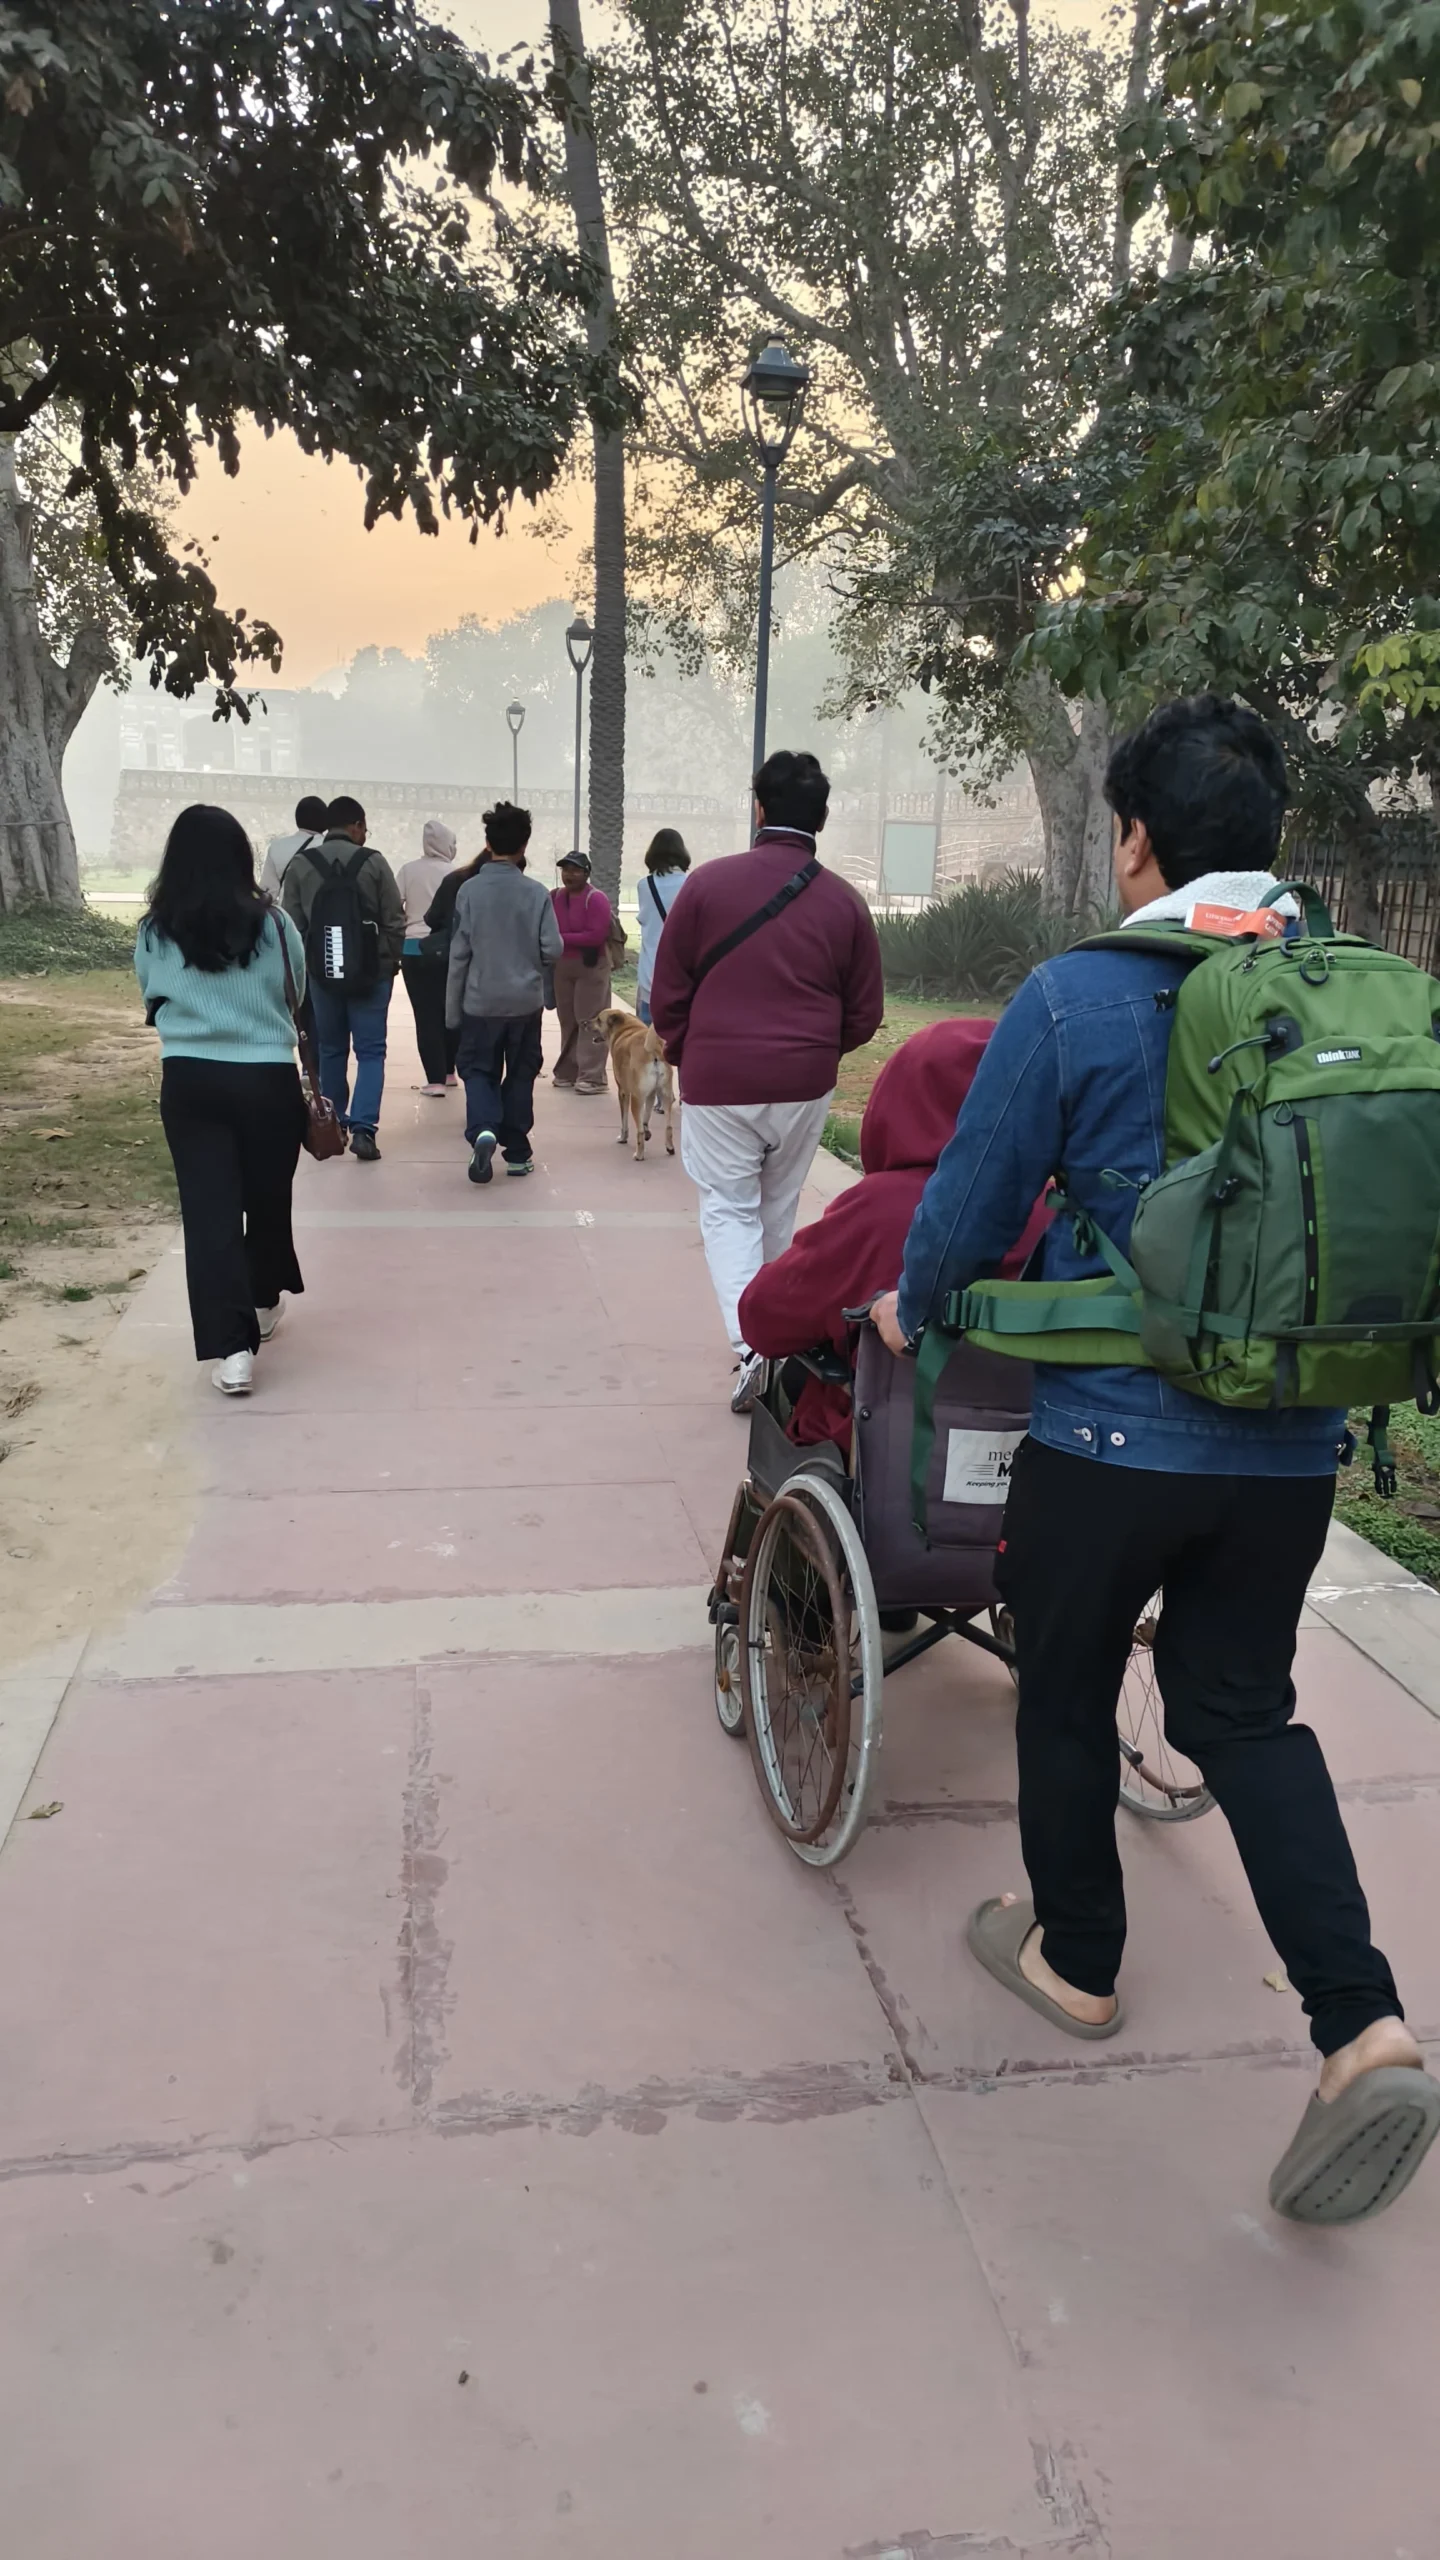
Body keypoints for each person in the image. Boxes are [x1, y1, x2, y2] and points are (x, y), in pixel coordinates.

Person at [871, 693, 1440, 2227]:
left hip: (1110, 1444)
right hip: (1296, 1446)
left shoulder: (1076, 998)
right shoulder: (1360, 990)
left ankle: (1079, 1959)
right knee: (1241, 1712)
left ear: (1135, 841)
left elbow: (970, 1201)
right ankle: (1362, 2026)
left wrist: (917, 1303)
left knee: (1062, 1684)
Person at [650, 747, 885, 1413]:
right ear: (822, 817)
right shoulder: (844, 904)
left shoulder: (706, 886)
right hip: (804, 1081)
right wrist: (815, 1052)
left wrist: (688, 1049)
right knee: (776, 1207)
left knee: (728, 1208)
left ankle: (755, 1348)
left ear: (758, 809)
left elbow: (668, 992)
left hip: (719, 1078)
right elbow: (865, 1012)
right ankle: (771, 1339)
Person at [739, 1018, 1048, 1453]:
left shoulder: (879, 1211)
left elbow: (763, 1320)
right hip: (1030, 1443)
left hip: (883, 1452)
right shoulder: (1060, 1213)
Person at [136, 804, 308, 1398]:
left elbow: (150, 994)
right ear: (241, 857)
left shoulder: (155, 931)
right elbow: (296, 990)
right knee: (266, 1198)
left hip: (190, 1080)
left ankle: (233, 1351)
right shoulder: (275, 925)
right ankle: (261, 1300)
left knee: (209, 1211)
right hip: (267, 1077)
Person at [281, 794, 404, 1161]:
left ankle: (335, 1126)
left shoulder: (302, 865)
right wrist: (386, 962)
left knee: (331, 1050)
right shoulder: (374, 862)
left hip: (322, 975)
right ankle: (365, 1128)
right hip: (371, 976)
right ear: (356, 825)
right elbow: (394, 919)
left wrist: (307, 973)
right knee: (371, 1052)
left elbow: (291, 927)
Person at [445, 802, 562, 1183]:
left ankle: (483, 1129)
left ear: (488, 843)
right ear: (524, 845)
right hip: (525, 1003)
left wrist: (452, 1010)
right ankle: (517, 1153)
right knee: (521, 1073)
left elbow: (459, 954)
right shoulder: (536, 893)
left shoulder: (469, 891)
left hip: (480, 1002)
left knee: (479, 1069)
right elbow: (553, 948)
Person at [397, 817, 460, 1096]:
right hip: (449, 950)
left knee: (426, 1016)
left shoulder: (408, 870)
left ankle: (434, 1080)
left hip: (414, 950)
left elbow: (394, 905)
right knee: (451, 1011)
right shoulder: (457, 874)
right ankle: (449, 1071)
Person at [551, 851, 614, 1093]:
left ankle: (593, 1077)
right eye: (565, 870)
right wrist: (560, 939)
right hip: (562, 966)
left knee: (591, 1020)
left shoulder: (596, 899)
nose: (569, 875)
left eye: (575, 870)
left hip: (591, 967)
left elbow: (595, 936)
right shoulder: (554, 897)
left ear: (587, 873)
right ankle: (567, 1071)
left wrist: (559, 938)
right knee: (567, 1020)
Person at [635, 828, 690, 1025]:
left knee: (647, 1036)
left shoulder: (644, 885)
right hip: (682, 974)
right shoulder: (692, 883)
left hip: (650, 973)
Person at [258, 794, 328, 902]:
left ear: (297, 819)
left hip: (288, 910)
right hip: (323, 910)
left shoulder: (277, 847)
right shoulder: (330, 847)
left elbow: (269, 892)